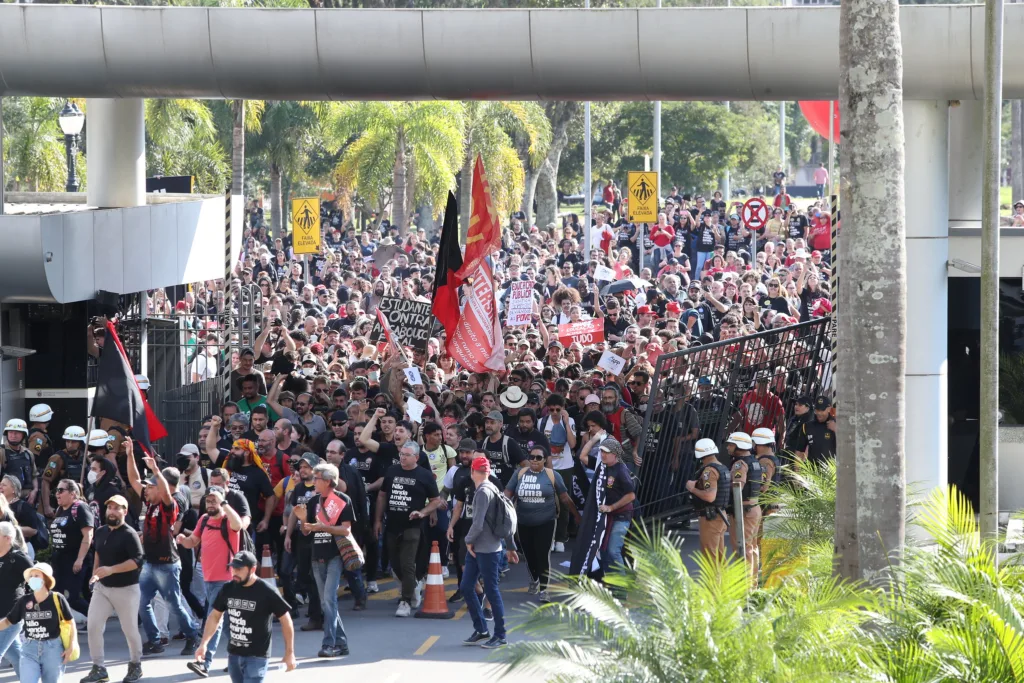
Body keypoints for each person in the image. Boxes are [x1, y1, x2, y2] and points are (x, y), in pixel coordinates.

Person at [124, 442, 200, 656]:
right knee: (143, 603)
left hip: (167, 564)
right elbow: (133, 480)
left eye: (150, 486)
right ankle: (155, 641)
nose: (145, 489)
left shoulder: (169, 505)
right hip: (150, 562)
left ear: (160, 488)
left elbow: (166, 493)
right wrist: (130, 454)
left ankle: (193, 636)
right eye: (146, 487)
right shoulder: (150, 503)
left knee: (174, 604)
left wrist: (157, 470)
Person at [193, 551, 297, 683]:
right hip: (234, 655)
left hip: (257, 657)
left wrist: (289, 653)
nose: (234, 572)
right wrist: (204, 644)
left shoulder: (267, 591)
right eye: (233, 568)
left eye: (239, 569)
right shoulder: (228, 588)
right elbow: (214, 617)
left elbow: (286, 620)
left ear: (252, 569)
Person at [176, 485, 244, 678]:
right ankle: (241, 659)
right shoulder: (204, 519)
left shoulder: (227, 520)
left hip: (226, 579)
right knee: (230, 623)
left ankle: (204, 662)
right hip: (209, 578)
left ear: (223, 501)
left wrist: (223, 503)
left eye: (215, 500)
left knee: (214, 619)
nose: (210, 503)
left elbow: (238, 525)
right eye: (208, 500)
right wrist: (183, 539)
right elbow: (193, 542)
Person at [373, 441, 441, 617]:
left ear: (416, 457)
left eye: (406, 455)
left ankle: (405, 600)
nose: (402, 457)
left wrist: (423, 512)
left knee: (408, 563)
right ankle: (413, 586)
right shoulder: (392, 471)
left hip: (412, 526)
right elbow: (382, 495)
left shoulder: (425, 475)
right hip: (392, 525)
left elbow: (436, 500)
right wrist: (378, 520)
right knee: (395, 565)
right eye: (401, 454)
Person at [81, 495, 145, 683]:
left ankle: (136, 664)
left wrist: (111, 570)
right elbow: (98, 553)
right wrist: (96, 574)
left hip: (126, 589)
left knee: (130, 629)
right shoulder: (100, 531)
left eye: (117, 508)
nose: (112, 511)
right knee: (93, 626)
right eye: (110, 507)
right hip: (102, 588)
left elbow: (137, 561)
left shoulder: (129, 534)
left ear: (125, 512)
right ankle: (99, 668)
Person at [504, 445, 579, 603]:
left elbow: (564, 498)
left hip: (546, 522)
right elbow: (507, 495)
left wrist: (577, 516)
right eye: (532, 457)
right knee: (529, 555)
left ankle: (544, 589)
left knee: (542, 555)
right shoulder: (520, 473)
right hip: (523, 522)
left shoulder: (552, 475)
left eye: (539, 457)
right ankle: (534, 579)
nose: (535, 460)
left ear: (545, 460)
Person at [459, 456, 519, 649]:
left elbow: (477, 524)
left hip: (486, 549)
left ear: (472, 472)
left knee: (491, 591)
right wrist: (510, 547)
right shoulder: (493, 488)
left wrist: (468, 541)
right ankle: (482, 630)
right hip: (485, 548)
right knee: (467, 586)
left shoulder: (483, 492)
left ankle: (500, 635)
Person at [301, 462, 359, 657]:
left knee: (329, 599)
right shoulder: (312, 502)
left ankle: (329, 644)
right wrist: (302, 520)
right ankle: (341, 643)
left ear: (327, 481)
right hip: (316, 555)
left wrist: (322, 527)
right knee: (327, 603)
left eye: (316, 478)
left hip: (335, 555)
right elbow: (307, 531)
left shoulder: (342, 500)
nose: (313, 481)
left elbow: (346, 529)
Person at [0, 561, 77, 683]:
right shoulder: (24, 601)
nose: (32, 579)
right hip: (29, 648)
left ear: (46, 579)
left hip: (53, 649)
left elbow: (70, 622)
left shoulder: (57, 598)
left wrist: (71, 646)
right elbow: (9, 621)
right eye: (31, 576)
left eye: (37, 576)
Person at [47, 480, 93, 621]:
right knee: (57, 595)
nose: (57, 494)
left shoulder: (80, 508)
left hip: (75, 559)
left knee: (71, 597)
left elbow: (88, 534)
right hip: (60, 560)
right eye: (56, 490)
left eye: (61, 490)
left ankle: (95, 620)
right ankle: (62, 628)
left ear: (73, 493)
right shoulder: (61, 510)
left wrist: (80, 559)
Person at [725, 432, 762, 582]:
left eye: (731, 444)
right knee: (752, 548)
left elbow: (737, 486)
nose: (728, 447)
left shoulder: (740, 463)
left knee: (742, 549)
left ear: (739, 446)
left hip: (744, 511)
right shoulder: (754, 461)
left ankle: (744, 588)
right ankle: (751, 585)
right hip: (754, 507)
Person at [686, 439, 731, 559]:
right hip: (721, 515)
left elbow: (710, 496)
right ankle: (724, 578)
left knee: (710, 558)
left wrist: (692, 488)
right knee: (719, 556)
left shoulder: (709, 471)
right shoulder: (722, 467)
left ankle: (713, 579)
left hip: (711, 518)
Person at [0, 521, 32, 675]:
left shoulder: (18, 558)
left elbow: (37, 582)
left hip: (11, 616)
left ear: (7, 538)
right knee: (17, 656)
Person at [41, 426, 88, 518]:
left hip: (78, 502)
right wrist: (47, 507)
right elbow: (45, 481)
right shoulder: (57, 458)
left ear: (80, 443)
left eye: (73, 442)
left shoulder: (84, 458)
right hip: (60, 503)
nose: (69, 445)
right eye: (67, 441)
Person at [792, 396, 836, 464]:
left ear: (829, 409)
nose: (819, 413)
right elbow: (799, 452)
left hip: (831, 472)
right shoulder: (807, 426)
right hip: (812, 472)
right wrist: (797, 472)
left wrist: (836, 430)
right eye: (817, 410)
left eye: (822, 410)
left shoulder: (837, 425)